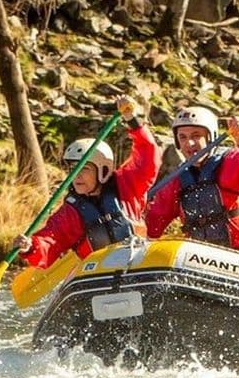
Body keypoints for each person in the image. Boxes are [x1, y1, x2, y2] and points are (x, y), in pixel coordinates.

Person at [12, 95, 161, 268]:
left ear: (103, 170)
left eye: (83, 169)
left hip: (138, 263)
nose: (76, 176)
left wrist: (132, 120)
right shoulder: (70, 212)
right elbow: (51, 241)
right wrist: (31, 247)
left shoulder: (127, 186)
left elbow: (148, 156)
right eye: (72, 170)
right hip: (98, 273)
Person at [145, 106, 239, 261]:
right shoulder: (178, 180)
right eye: (182, 137)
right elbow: (154, 222)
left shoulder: (233, 161)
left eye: (196, 136)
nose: (189, 143)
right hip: (206, 258)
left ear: (211, 137)